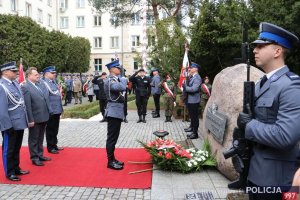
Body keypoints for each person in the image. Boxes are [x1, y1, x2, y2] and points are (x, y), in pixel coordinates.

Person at [237, 22, 300, 200]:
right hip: (255, 173)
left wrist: (249, 125)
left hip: (276, 180)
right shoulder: (261, 83)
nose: (255, 50)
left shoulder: (291, 86)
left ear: (277, 51)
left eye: (261, 46)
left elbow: (286, 136)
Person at [0, 61, 29, 181]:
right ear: (5, 72)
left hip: (19, 122)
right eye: (13, 71)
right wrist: (6, 126)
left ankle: (16, 167)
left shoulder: (15, 84)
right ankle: (9, 172)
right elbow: (1, 109)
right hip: (10, 124)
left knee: (16, 147)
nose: (16, 73)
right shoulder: (2, 86)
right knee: (9, 149)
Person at [21, 67, 52, 166]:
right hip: (35, 117)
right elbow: (28, 105)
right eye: (35, 74)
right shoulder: (26, 87)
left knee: (40, 137)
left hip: (43, 116)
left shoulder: (38, 85)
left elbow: (44, 99)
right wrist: (30, 119)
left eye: (38, 74)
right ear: (29, 76)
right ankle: (34, 157)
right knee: (34, 139)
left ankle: (40, 154)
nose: (38, 75)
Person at [104, 60, 127, 170]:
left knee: (115, 137)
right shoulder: (110, 80)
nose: (119, 69)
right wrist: (123, 79)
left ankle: (113, 159)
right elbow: (121, 87)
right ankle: (110, 161)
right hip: (113, 112)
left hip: (117, 112)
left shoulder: (115, 79)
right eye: (118, 67)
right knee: (111, 138)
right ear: (112, 69)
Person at [41, 66, 64, 154]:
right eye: (52, 73)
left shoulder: (53, 82)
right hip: (51, 110)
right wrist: (50, 110)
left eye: (55, 73)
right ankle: (50, 147)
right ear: (47, 74)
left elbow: (57, 95)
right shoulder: (44, 83)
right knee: (50, 129)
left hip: (57, 110)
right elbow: (46, 98)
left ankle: (54, 144)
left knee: (55, 129)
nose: (55, 74)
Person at [182, 62, 201, 139]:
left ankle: (195, 133)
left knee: (194, 117)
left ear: (196, 69)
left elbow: (194, 89)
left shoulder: (197, 78)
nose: (190, 69)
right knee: (192, 116)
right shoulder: (193, 77)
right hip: (190, 99)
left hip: (194, 100)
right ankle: (192, 129)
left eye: (192, 68)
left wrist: (185, 87)